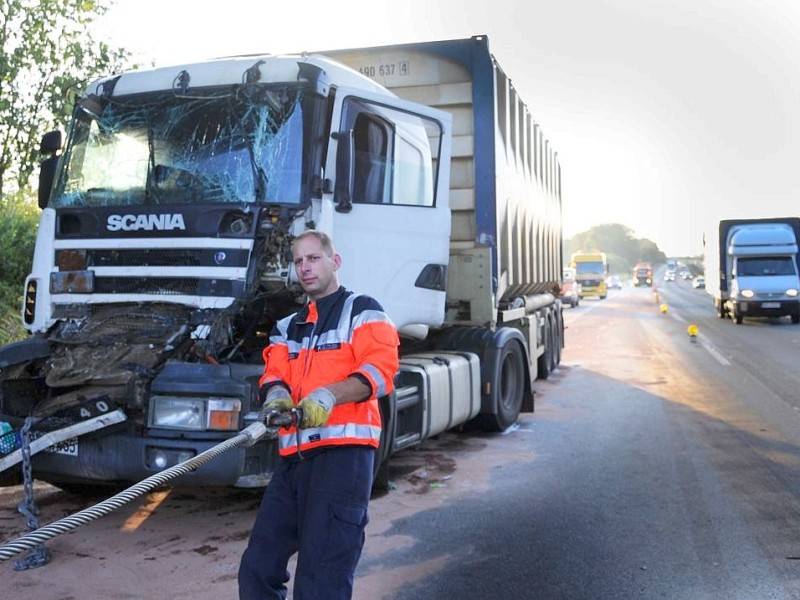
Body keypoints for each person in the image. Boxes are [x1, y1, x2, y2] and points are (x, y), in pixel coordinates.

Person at [238, 229, 400, 600]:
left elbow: (380, 370)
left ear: (334, 261)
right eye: (298, 261)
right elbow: (274, 374)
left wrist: (327, 396)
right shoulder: (287, 327)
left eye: (313, 258)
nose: (305, 268)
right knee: (257, 569)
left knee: (320, 581)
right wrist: (277, 397)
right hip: (294, 462)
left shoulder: (363, 311)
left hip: (343, 459)